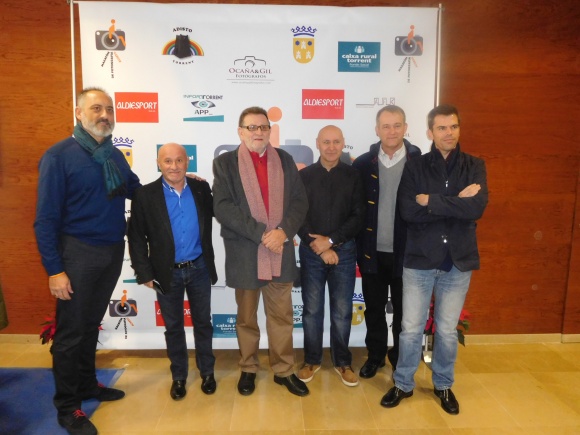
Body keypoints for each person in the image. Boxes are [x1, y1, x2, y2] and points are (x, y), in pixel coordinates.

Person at [34, 87, 141, 435]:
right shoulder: (58, 156)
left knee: (89, 325)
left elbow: (136, 190)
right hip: (77, 255)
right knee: (70, 334)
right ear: (79, 113)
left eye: (109, 109)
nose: (104, 115)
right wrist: (55, 270)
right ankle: (68, 408)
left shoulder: (113, 155)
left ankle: (86, 385)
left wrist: (178, 183)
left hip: (111, 252)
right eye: (96, 108)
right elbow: (45, 220)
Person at [381, 104, 488, 415]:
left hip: (457, 261)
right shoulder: (415, 167)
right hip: (419, 261)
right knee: (410, 328)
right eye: (441, 128)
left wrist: (432, 201)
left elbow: (477, 208)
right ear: (430, 132)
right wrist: (456, 203)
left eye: (453, 126)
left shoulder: (474, 166)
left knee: (447, 330)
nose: (448, 133)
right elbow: (408, 211)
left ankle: (443, 385)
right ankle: (403, 383)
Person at [212, 106, 309, 397]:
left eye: (263, 127)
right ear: (240, 132)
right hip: (245, 252)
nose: (258, 132)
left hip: (280, 250)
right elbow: (223, 207)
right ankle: (248, 368)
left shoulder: (285, 160)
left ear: (270, 130)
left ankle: (284, 370)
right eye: (251, 127)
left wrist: (283, 232)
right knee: (246, 318)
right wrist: (262, 235)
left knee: (282, 317)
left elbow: (299, 201)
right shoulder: (225, 163)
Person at [127, 143, 218, 401]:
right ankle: (179, 376)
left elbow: (220, 211)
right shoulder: (145, 195)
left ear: (187, 162)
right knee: (174, 326)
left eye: (179, 160)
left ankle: (207, 372)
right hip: (166, 272)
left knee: (203, 323)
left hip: (199, 267)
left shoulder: (201, 189)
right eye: (168, 161)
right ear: (159, 163)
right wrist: (144, 273)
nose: (174, 166)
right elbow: (136, 237)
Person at [352, 105, 421, 379]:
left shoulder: (420, 163)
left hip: (409, 253)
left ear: (406, 128)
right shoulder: (362, 164)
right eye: (386, 126)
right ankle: (376, 356)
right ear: (377, 130)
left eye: (397, 125)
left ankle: (400, 360)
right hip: (372, 251)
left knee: (405, 313)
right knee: (374, 309)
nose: (392, 131)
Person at [296, 125, 365, 387]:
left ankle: (342, 362)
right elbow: (297, 215)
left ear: (343, 143)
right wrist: (319, 246)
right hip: (311, 251)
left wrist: (332, 242)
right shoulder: (304, 176)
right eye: (326, 142)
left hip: (344, 252)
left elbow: (359, 215)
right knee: (312, 311)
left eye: (336, 141)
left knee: (342, 311)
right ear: (317, 143)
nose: (331, 147)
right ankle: (311, 360)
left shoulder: (354, 176)